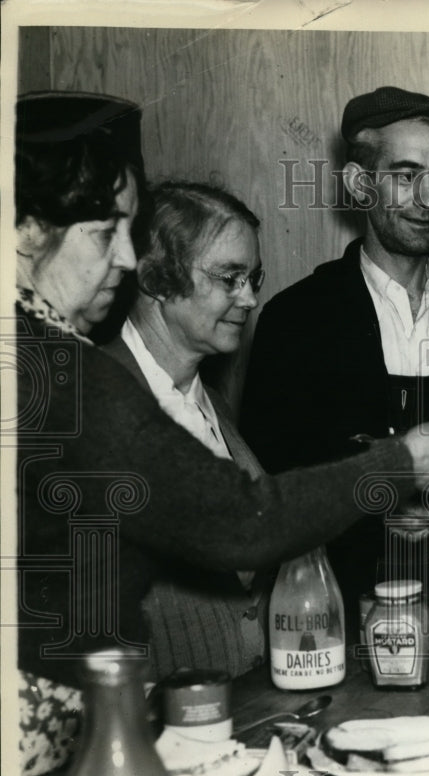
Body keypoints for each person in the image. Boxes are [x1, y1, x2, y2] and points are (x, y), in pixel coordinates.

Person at [14, 91, 429, 776]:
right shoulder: (68, 377)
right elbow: (246, 519)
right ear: (26, 232)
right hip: (61, 740)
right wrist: (399, 460)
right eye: (102, 232)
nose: (121, 259)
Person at [240, 86, 429, 622]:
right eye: (404, 175)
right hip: (342, 614)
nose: (428, 199)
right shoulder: (298, 320)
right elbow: (273, 500)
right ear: (359, 184)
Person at [102, 181, 275, 680]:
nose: (250, 298)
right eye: (230, 278)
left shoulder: (212, 406)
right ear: (156, 278)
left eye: (253, 277)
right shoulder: (95, 406)